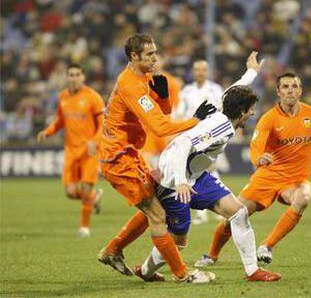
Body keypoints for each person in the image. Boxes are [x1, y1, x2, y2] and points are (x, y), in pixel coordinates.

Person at [134, 52, 281, 283]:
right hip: (174, 180)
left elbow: (235, 89)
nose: (252, 113)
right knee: (179, 241)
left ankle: (252, 271)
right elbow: (183, 143)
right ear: (242, 111)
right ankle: (146, 271)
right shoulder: (220, 127)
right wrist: (181, 180)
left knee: (239, 212)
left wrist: (251, 72)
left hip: (196, 177)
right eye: (251, 109)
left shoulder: (222, 105)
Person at [97, 33, 216, 283]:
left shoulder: (144, 78)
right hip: (117, 158)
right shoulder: (130, 84)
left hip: (128, 153)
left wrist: (163, 98)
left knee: (151, 206)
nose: (155, 58)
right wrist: (195, 120)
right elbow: (160, 127)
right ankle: (183, 274)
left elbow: (161, 114)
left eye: (155, 53)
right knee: (157, 215)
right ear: (134, 56)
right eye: (150, 54)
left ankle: (112, 251)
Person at [195, 72, 311, 267]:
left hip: (296, 180)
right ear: (278, 92)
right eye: (286, 87)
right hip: (268, 177)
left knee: (303, 198)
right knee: (235, 216)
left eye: (294, 86)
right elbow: (256, 146)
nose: (290, 90)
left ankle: (266, 246)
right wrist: (258, 159)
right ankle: (212, 255)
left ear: (300, 91)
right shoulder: (269, 119)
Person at [37, 63, 104, 238]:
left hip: (89, 151)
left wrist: (94, 141)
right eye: (71, 75)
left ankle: (84, 227)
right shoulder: (62, 97)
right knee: (71, 192)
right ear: (67, 77)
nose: (74, 78)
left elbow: (103, 124)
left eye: (77, 75)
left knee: (86, 188)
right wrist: (47, 132)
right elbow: (60, 121)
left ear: (83, 77)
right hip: (71, 151)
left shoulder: (93, 97)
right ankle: (94, 197)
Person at [174, 60, 224, 225]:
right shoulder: (187, 91)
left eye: (203, 69)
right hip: (191, 135)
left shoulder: (215, 89)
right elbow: (179, 112)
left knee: (210, 168)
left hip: (210, 133)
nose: (200, 72)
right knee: (194, 171)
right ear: (193, 72)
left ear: (207, 71)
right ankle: (202, 212)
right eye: (197, 70)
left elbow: (223, 110)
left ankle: (219, 204)